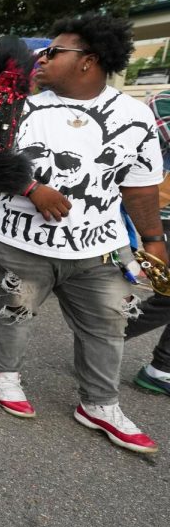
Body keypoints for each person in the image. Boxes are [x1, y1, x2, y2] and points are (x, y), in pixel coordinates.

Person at [0, 14, 161, 454]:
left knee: (108, 325)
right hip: (23, 242)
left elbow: (139, 186)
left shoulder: (135, 116)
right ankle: (3, 375)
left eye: (53, 52)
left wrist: (154, 242)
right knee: (15, 311)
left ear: (89, 61)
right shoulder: (20, 108)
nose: (40, 60)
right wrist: (31, 188)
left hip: (99, 249)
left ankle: (99, 404)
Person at [119, 86, 170, 396]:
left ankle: (161, 369)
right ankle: (102, 337)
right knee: (168, 292)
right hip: (163, 212)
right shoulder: (162, 101)